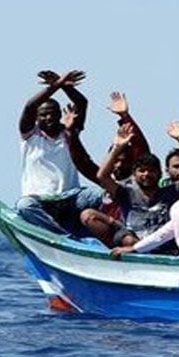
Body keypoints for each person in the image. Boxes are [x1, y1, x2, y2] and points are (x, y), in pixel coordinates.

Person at [15, 69, 104, 237]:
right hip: (39, 199)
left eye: (53, 114)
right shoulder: (30, 135)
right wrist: (55, 85)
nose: (48, 118)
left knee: (102, 194)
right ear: (37, 118)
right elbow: (29, 106)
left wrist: (66, 87)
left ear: (60, 115)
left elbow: (82, 103)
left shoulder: (69, 132)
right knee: (24, 206)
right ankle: (62, 236)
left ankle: (106, 234)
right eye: (43, 115)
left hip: (71, 197)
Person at [89, 122, 179, 249]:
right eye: (142, 170)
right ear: (134, 174)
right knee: (126, 239)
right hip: (133, 243)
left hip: (164, 243)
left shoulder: (172, 191)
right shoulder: (126, 193)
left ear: (160, 173)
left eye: (151, 171)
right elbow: (102, 176)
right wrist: (117, 148)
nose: (147, 174)